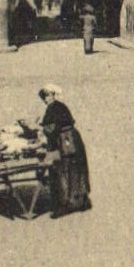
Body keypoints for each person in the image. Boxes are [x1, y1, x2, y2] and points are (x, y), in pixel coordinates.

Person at [38, 83, 91, 217]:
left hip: (65, 142)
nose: (45, 99)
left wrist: (40, 130)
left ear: (53, 95)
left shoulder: (54, 108)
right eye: (43, 97)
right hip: (71, 140)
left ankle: (64, 205)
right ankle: (82, 201)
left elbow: (53, 128)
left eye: (47, 96)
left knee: (62, 171)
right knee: (76, 170)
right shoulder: (58, 106)